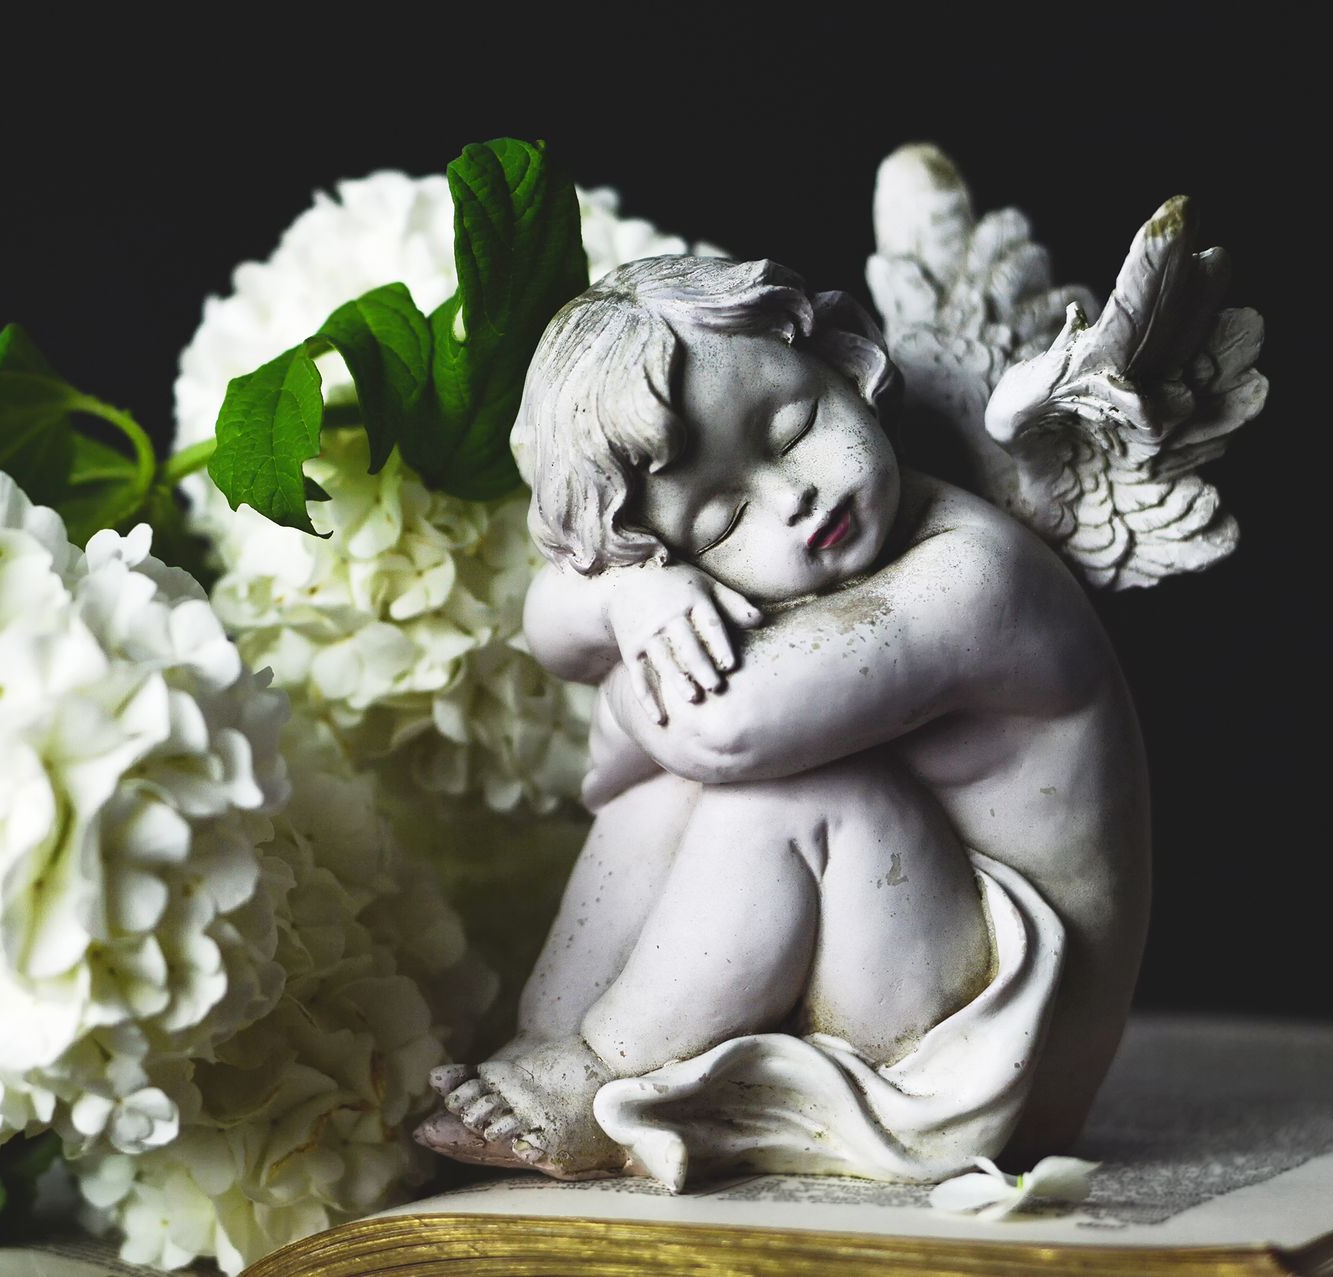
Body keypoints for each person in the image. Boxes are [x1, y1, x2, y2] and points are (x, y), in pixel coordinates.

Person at [419, 256, 1150, 1186]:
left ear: (840, 363)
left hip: (1001, 1044)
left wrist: (626, 675)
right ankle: (548, 1039)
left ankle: (604, 1071)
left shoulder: (975, 579)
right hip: (899, 949)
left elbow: (725, 730)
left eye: (795, 427)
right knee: (664, 786)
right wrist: (630, 595)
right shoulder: (770, 562)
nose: (791, 498)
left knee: (788, 795)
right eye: (721, 521)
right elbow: (552, 624)